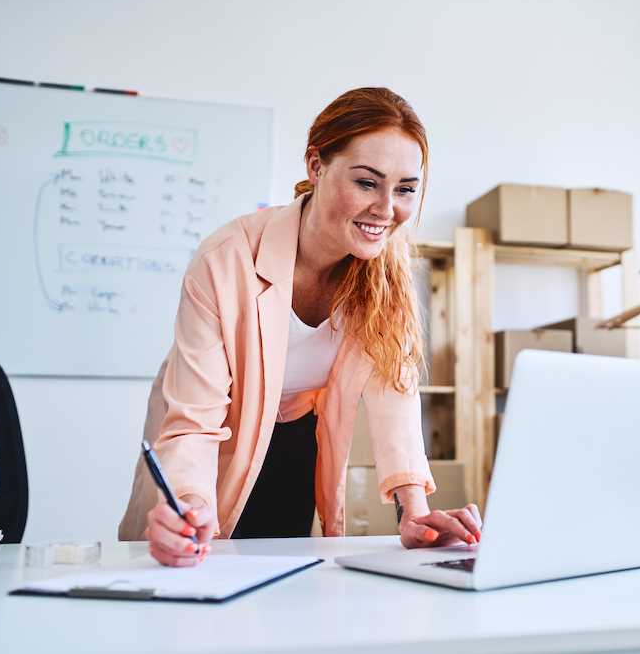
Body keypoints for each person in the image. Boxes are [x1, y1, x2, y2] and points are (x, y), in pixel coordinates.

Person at [118, 88, 482, 566]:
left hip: (295, 442)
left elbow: (396, 389)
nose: (386, 208)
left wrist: (414, 511)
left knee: (287, 592)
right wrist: (189, 505)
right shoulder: (225, 260)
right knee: (193, 576)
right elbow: (194, 422)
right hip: (211, 441)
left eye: (406, 189)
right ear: (316, 166)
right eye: (367, 183)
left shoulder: (387, 267)